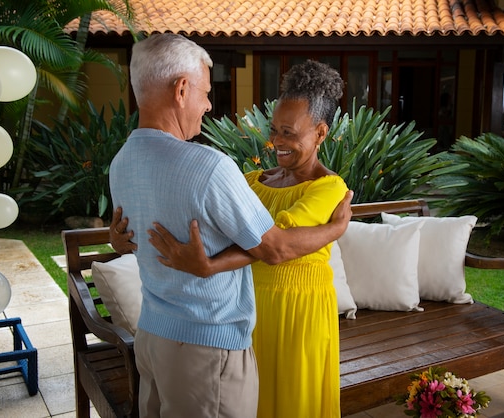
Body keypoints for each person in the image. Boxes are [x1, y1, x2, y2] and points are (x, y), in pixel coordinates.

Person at [109, 34, 351, 418]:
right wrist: (337, 229)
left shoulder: (122, 161)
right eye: (206, 91)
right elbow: (273, 247)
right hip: (205, 347)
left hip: (155, 335)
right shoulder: (209, 166)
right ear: (181, 89)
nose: (208, 103)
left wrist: (121, 240)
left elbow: (132, 231)